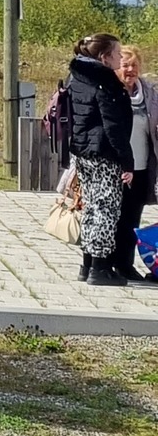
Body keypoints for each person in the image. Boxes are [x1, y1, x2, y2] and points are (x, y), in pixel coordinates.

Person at [65, 32, 138, 284]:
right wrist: (127, 161)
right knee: (107, 209)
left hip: (82, 150)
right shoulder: (105, 82)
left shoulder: (78, 76)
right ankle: (100, 268)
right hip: (104, 153)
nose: (121, 57)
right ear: (105, 57)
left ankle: (86, 265)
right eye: (118, 53)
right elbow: (113, 125)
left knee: (91, 207)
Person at [123, 45, 156, 275]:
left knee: (133, 219)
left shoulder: (149, 94)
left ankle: (126, 264)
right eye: (125, 65)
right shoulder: (112, 92)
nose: (130, 70)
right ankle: (109, 263)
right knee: (115, 218)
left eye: (134, 65)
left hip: (142, 166)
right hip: (119, 167)